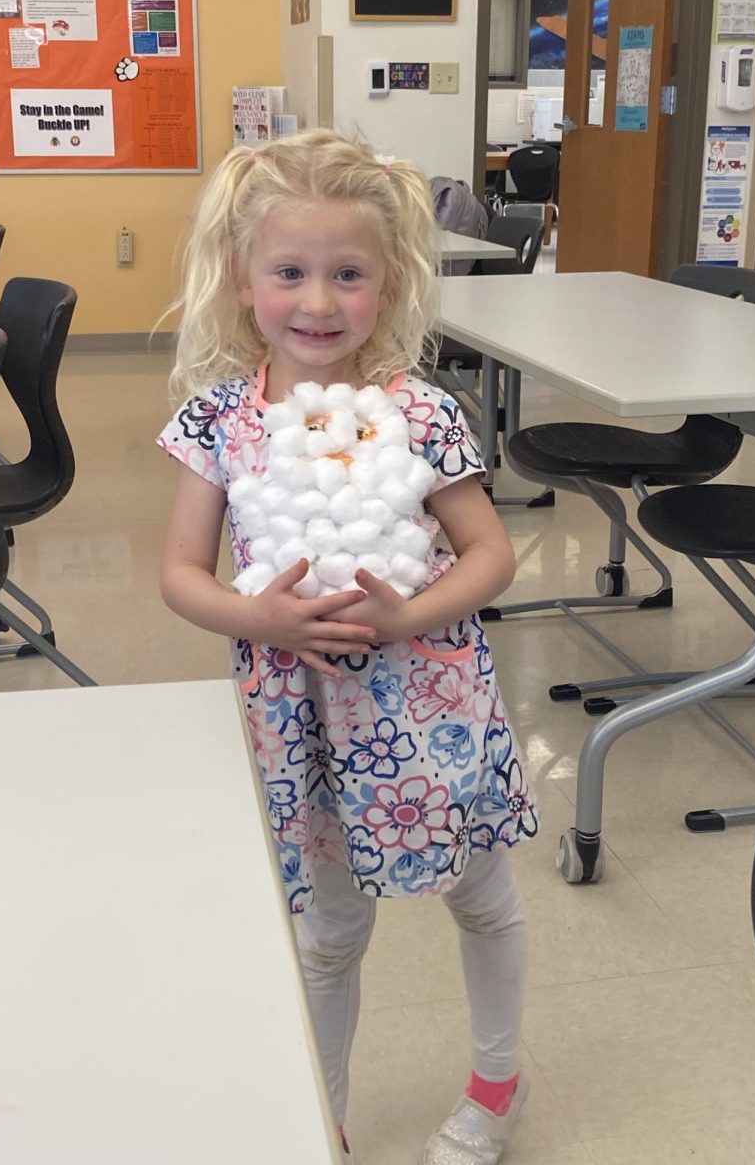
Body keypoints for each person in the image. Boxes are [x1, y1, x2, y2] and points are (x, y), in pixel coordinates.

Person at [157, 129, 539, 1165]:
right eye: (289, 272)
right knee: (327, 933)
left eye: (348, 274)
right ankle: (321, 1118)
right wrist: (263, 620)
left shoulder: (422, 413)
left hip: (429, 705)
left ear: (390, 283)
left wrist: (410, 616)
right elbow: (182, 574)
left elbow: (489, 552)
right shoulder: (216, 423)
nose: (318, 302)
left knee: (481, 895)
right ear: (243, 282)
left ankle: (497, 1081)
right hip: (302, 720)